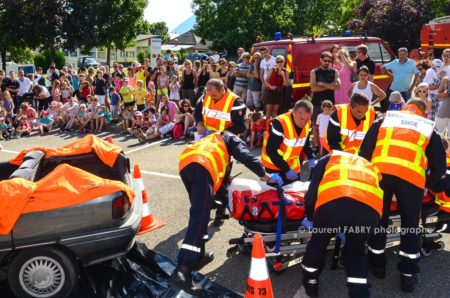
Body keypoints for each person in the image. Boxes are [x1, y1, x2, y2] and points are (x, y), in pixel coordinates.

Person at [169, 131, 279, 294]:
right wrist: (265, 176)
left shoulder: (213, 140)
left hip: (187, 165)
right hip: (201, 167)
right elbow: (246, 157)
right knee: (199, 217)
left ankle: (199, 255)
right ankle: (182, 271)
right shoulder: (231, 138)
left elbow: (221, 182)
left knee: (203, 214)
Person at [359, 99, 446, 293]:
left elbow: (364, 151)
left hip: (380, 174)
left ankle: (378, 265)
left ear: (406, 106)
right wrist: (429, 185)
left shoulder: (385, 119)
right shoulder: (427, 127)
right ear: (422, 112)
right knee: (410, 225)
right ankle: (407, 275)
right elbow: (439, 166)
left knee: (379, 220)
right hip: (411, 180)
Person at [301, 151, 383, 298]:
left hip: (332, 206)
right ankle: (359, 293)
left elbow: (312, 193)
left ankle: (311, 282)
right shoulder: (369, 165)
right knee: (356, 252)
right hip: (368, 212)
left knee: (318, 244)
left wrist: (310, 216)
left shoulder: (328, 159)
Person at [261, 99, 315, 184]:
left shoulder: (308, 123)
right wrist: (286, 169)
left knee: (294, 195)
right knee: (276, 196)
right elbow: (271, 150)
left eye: (307, 119)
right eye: (301, 118)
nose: (303, 123)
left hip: (292, 167)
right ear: (294, 112)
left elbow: (305, 143)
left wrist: (311, 157)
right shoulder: (279, 123)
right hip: (274, 167)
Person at [310, 51, 341, 148]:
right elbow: (314, 88)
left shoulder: (334, 71)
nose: (327, 62)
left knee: (331, 124)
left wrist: (322, 84)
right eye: (325, 60)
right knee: (316, 125)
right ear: (320, 60)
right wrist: (330, 86)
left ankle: (329, 144)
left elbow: (338, 86)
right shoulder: (314, 72)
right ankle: (316, 145)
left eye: (329, 61)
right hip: (317, 102)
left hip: (330, 103)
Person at [381, 47, 420, 111]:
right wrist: (391, 75)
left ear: (407, 54)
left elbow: (417, 75)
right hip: (394, 90)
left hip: (406, 91)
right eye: (400, 54)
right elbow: (383, 68)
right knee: (392, 110)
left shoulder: (412, 63)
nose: (402, 56)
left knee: (406, 109)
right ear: (398, 54)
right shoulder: (395, 62)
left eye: (404, 54)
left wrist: (411, 88)